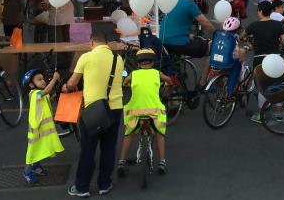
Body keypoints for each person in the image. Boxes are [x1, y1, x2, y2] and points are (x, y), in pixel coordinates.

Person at [62, 30, 124, 197]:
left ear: (92, 43)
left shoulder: (86, 58)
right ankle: (105, 184)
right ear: (107, 43)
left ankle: (82, 187)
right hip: (116, 107)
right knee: (109, 147)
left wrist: (66, 87)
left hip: (93, 109)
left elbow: (73, 82)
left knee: (88, 149)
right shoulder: (118, 59)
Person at [118, 48, 172, 177]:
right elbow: (169, 80)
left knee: (128, 134)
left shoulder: (133, 74)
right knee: (159, 134)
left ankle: (121, 162)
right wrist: (167, 84)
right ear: (152, 62)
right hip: (155, 112)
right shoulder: (157, 73)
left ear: (138, 63)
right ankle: (162, 162)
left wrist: (127, 84)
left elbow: (124, 83)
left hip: (135, 112)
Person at [160, 0, 215, 91]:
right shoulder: (189, 4)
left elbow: (175, 21)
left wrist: (186, 34)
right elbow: (205, 23)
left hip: (163, 41)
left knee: (173, 66)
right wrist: (216, 34)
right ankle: (202, 83)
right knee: (211, 48)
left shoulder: (172, 1)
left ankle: (172, 93)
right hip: (178, 42)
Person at [244, 1, 284, 121]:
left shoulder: (253, 25)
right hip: (275, 58)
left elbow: (242, 36)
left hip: (260, 59)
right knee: (275, 84)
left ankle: (260, 115)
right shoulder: (278, 25)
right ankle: (280, 113)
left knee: (262, 86)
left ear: (260, 11)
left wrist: (249, 44)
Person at [21, 69, 63, 184]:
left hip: (42, 129)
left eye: (43, 78)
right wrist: (54, 79)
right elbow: (46, 91)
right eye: (39, 80)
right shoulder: (35, 94)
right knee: (33, 150)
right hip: (36, 130)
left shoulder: (41, 94)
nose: (43, 81)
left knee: (41, 147)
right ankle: (27, 171)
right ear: (31, 84)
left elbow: (47, 98)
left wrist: (55, 96)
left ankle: (36, 166)